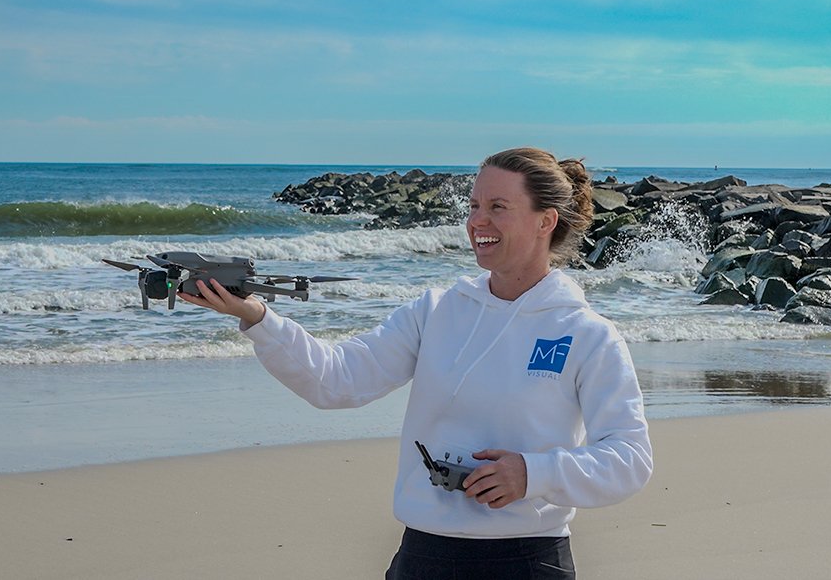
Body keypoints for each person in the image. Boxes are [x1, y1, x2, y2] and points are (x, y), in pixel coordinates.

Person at [179, 147, 653, 579]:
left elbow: (629, 460)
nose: (477, 221)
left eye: (497, 207)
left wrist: (534, 474)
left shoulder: (588, 334)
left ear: (545, 221)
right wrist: (258, 317)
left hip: (529, 560)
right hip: (423, 558)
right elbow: (336, 381)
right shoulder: (436, 310)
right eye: (473, 206)